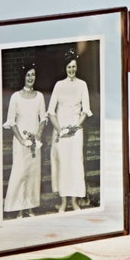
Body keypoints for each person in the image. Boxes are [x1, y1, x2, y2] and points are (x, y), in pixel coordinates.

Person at [47, 49, 92, 213]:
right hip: (60, 131)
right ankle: (63, 202)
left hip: (76, 130)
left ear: (77, 67)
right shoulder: (59, 85)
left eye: (73, 66)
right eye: (68, 67)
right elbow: (51, 111)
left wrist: (73, 128)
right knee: (63, 164)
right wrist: (60, 130)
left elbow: (85, 111)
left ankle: (74, 202)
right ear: (65, 68)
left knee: (75, 164)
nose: (71, 70)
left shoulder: (82, 85)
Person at [2, 63, 47, 218]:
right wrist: (21, 139)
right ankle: (19, 208)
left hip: (35, 141)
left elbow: (43, 118)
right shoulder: (15, 97)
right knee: (20, 172)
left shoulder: (40, 96)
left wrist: (39, 134)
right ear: (23, 77)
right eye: (28, 75)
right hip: (20, 141)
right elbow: (11, 121)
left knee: (33, 173)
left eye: (33, 75)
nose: (30, 78)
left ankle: (30, 207)